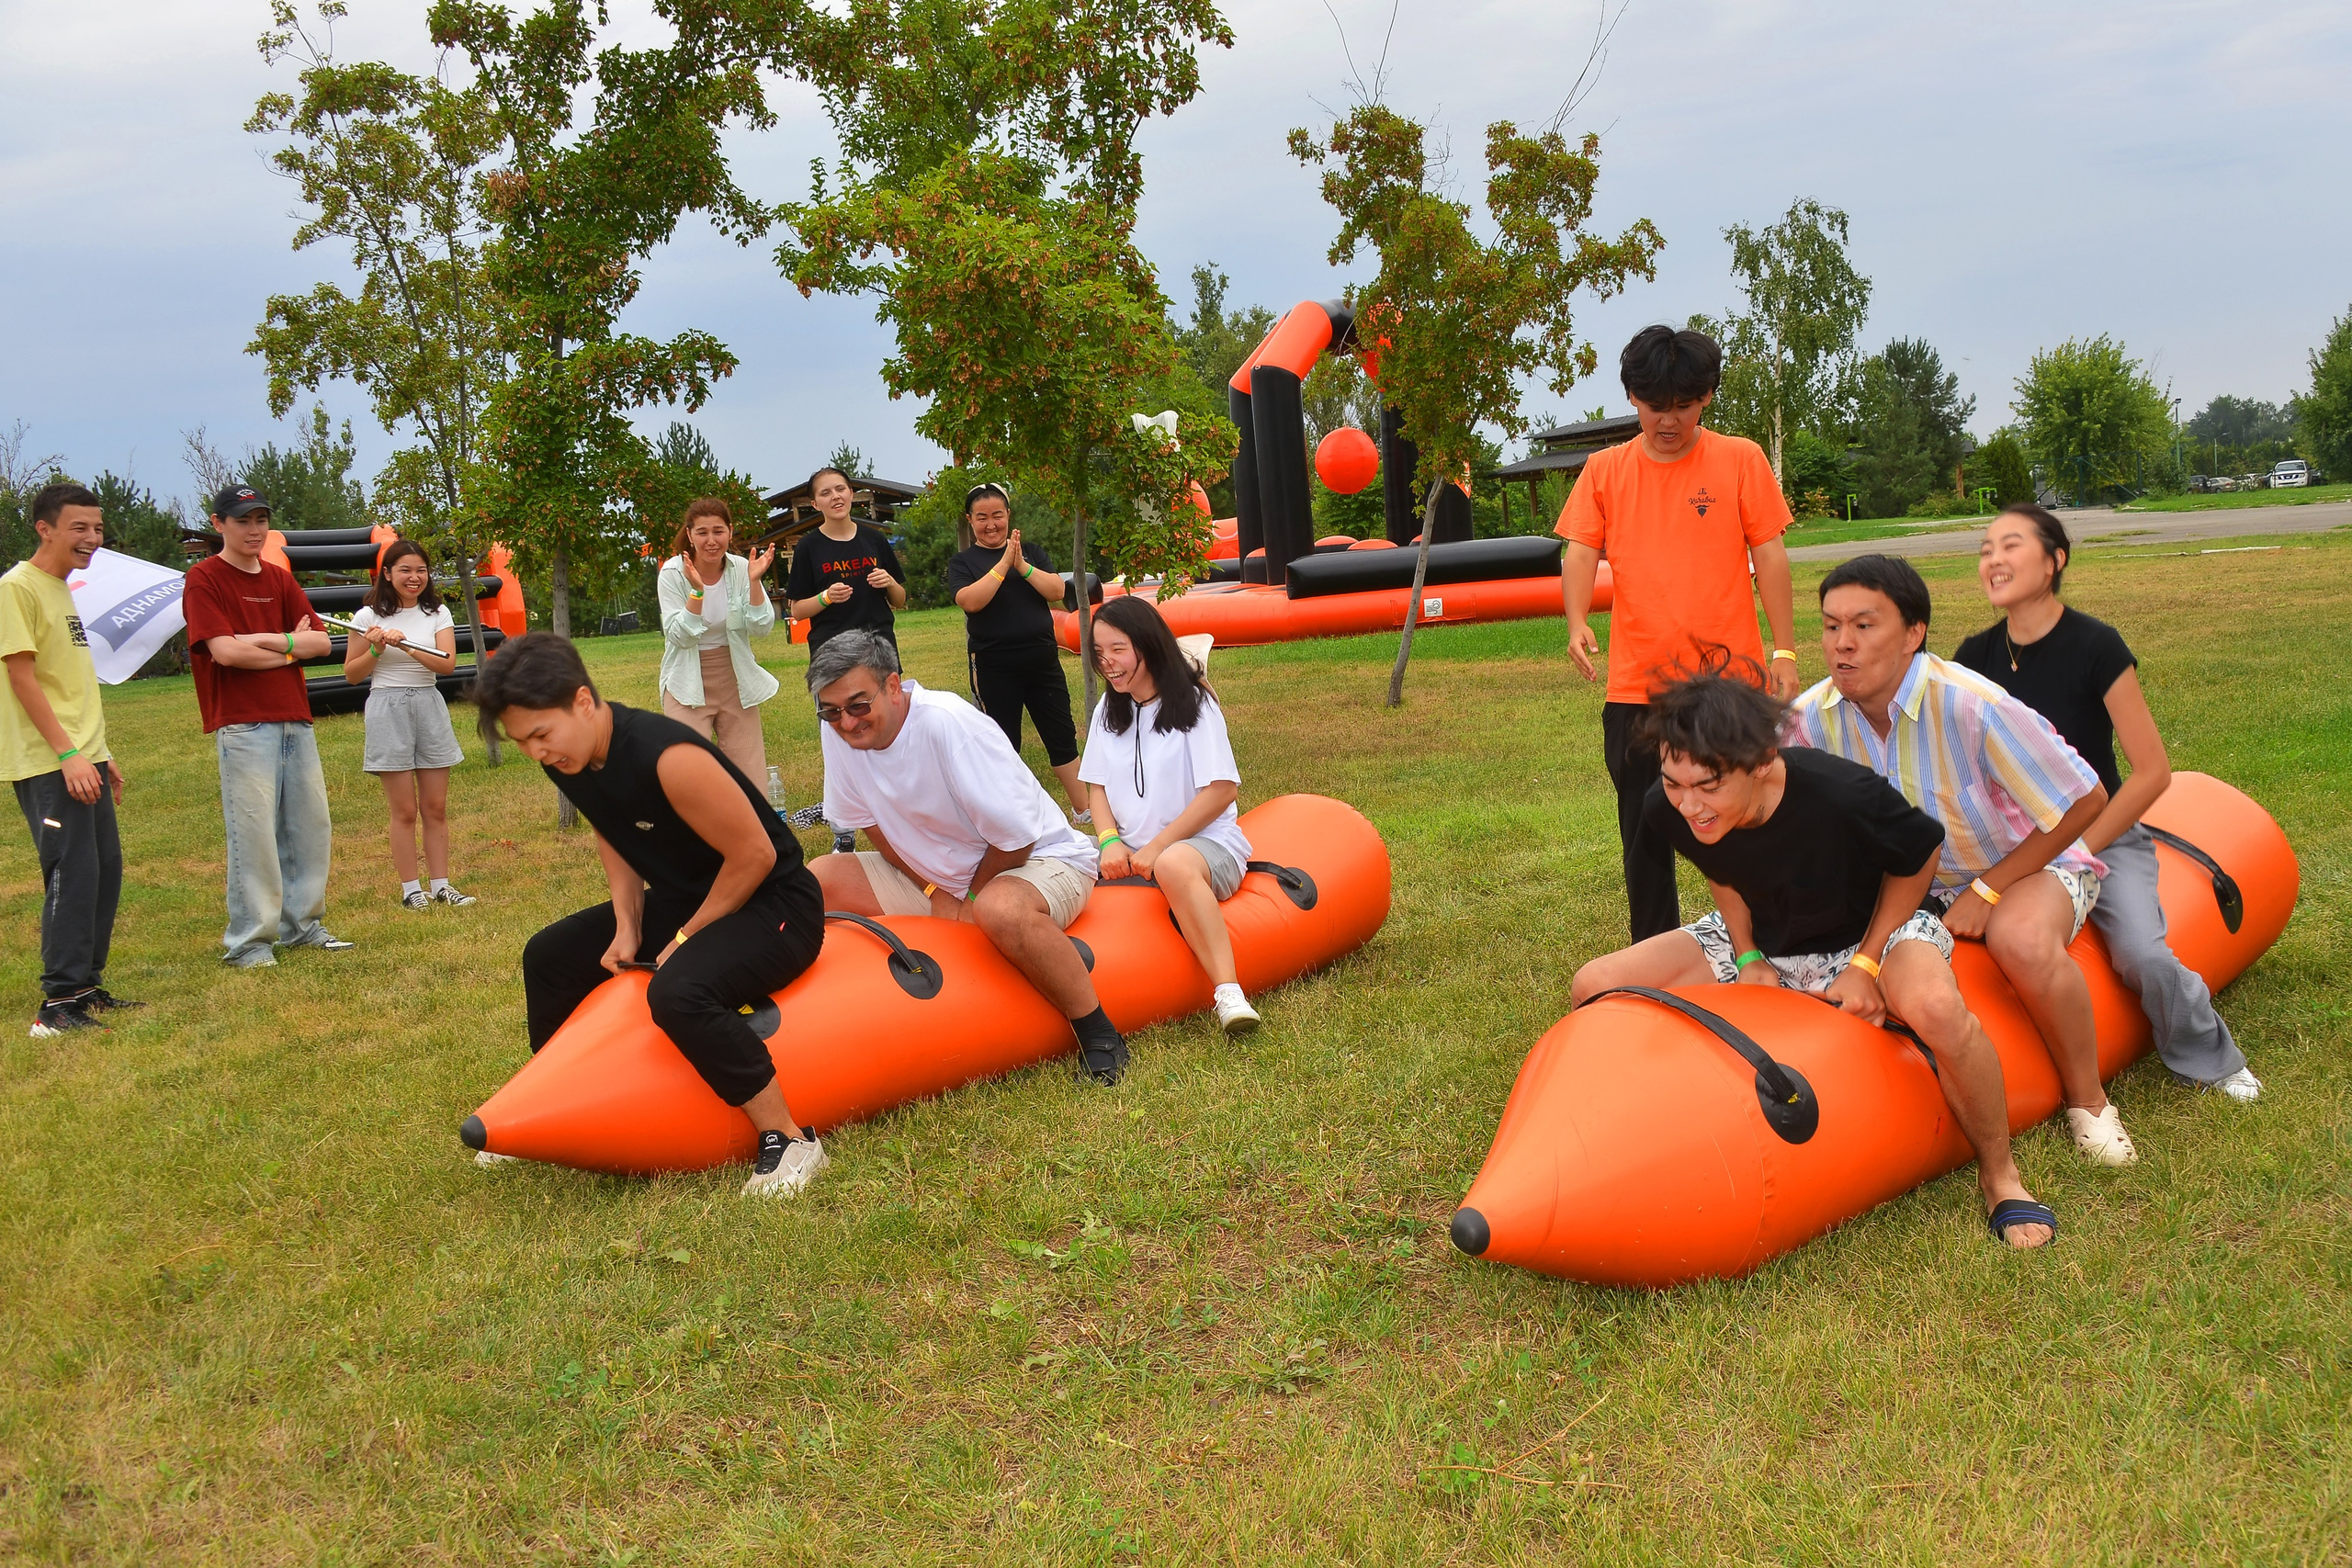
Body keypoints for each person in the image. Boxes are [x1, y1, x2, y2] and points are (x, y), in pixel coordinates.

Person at [1569, 661, 2056, 1247]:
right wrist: (1747, 956)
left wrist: (1867, 963)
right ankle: (1625, 1140)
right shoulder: (1666, 806)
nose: (1689, 805)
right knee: (1594, 986)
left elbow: (1919, 853)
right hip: (1766, 933)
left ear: (1761, 762)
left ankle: (2002, 1177)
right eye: (1675, 782)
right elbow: (1720, 866)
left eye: (1708, 786)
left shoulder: (1838, 792)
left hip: (1870, 931)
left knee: (1938, 1012)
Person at [1788, 553, 2137, 1168]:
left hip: (2030, 859)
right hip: (1909, 887)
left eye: (1864, 626)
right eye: (1830, 625)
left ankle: (2089, 1101)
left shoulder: (1973, 705)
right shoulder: (1811, 720)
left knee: (2022, 940)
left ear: (1913, 633)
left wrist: (1992, 888)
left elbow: (2086, 798)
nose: (1841, 644)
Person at [478, 632, 831, 1197]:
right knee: (548, 956)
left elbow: (756, 856)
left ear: (584, 702)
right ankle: (563, 1098)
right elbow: (611, 829)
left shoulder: (669, 758)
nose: (536, 753)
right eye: (523, 743)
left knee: (676, 990)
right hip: (690, 895)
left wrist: (688, 935)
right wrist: (628, 922)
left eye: (541, 735)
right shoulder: (568, 756)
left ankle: (789, 1138)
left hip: (776, 904)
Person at [1952, 505, 2260, 1101]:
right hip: (2011, 845)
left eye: (2010, 546)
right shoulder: (1974, 656)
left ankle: (2210, 1058)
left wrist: (2077, 851)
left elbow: (2152, 772)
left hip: (2103, 836)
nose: (1993, 560)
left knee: (2143, 954)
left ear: (2054, 560)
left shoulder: (2096, 644)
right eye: (1986, 549)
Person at [1556, 325, 1800, 943]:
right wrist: (1578, 620)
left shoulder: (1740, 458)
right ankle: (1654, 950)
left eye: (1683, 406)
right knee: (1645, 826)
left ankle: (1773, 940)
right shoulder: (1605, 469)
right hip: (1638, 684)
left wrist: (1785, 648)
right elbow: (1580, 551)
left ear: (1707, 397)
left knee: (1751, 812)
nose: (1669, 420)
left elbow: (1769, 554)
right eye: (1654, 405)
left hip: (1731, 683)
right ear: (1633, 398)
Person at [803, 631, 1127, 1082]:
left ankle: (1098, 1031)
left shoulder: (948, 725)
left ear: (893, 686)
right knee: (818, 877)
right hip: (940, 874)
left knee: (1002, 910)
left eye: (858, 706)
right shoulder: (837, 729)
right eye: (831, 710)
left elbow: (1017, 840)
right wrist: (933, 890)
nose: (847, 722)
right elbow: (869, 823)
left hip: (1041, 858)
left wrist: (969, 899)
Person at [184, 481, 353, 966]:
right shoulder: (204, 579)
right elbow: (225, 652)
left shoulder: (279, 578)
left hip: (294, 719)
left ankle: (303, 927)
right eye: (243, 520)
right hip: (243, 724)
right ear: (219, 525)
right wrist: (287, 647)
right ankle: (250, 942)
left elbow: (320, 646)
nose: (254, 529)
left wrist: (260, 642)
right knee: (253, 832)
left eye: (261, 519)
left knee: (309, 827)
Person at [1080, 595, 1259, 1037]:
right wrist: (1107, 841)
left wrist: (1159, 847)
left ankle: (1229, 994)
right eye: (1099, 652)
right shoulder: (1109, 708)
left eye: (1118, 649)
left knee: (1174, 863)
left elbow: (1221, 791)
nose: (1108, 662)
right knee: (1058, 858)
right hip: (1133, 852)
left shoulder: (1194, 703)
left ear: (1147, 644)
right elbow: (1096, 786)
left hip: (1205, 848)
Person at [3, 482, 140, 1036]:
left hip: (83, 758)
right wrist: (66, 753)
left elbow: (71, 684)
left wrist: (99, 755)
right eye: (79, 528)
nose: (92, 539)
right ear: (46, 528)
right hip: (49, 761)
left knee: (104, 871)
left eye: (98, 528)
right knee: (72, 872)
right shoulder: (18, 588)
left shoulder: (64, 590)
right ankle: (57, 1005)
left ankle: (86, 987)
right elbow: (21, 676)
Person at [946, 482, 1090, 820]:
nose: (991, 524)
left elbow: (1056, 590)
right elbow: (971, 601)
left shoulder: (1032, 552)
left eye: (998, 515)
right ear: (970, 521)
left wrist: (1022, 565)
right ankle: (1012, 815)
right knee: (1001, 742)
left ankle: (1084, 809)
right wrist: (1002, 565)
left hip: (1042, 661)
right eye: (982, 518)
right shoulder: (963, 562)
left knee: (1061, 736)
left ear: (1009, 515)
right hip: (994, 666)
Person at [344, 539, 474, 910]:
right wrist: (376, 649)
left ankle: (441, 885)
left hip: (429, 705)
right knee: (404, 811)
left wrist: (407, 647)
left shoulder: (438, 613)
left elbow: (447, 664)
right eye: (404, 570)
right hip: (387, 707)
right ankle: (410, 890)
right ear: (387, 574)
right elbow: (352, 675)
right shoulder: (366, 617)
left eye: (420, 570)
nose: (414, 577)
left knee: (435, 806)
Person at [657, 497, 779, 785]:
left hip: (735, 678)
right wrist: (697, 592)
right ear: (689, 535)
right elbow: (679, 636)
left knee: (750, 777)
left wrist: (754, 583)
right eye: (702, 533)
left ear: (730, 532)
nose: (711, 541)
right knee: (689, 776)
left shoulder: (741, 568)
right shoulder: (673, 573)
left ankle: (752, 830)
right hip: (686, 680)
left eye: (718, 531)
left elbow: (761, 627)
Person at [784, 466, 905, 656]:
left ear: (851, 493)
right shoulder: (808, 547)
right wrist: (827, 597)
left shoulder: (875, 539)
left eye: (840, 489)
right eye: (825, 493)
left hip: (880, 645)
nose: (835, 496)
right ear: (815, 504)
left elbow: (899, 600)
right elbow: (797, 611)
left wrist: (890, 582)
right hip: (833, 650)